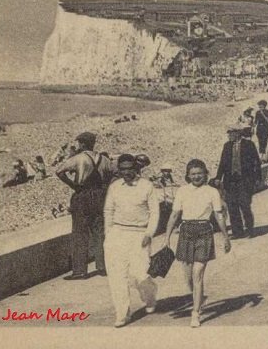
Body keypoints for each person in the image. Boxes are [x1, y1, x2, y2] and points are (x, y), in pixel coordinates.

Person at [164, 160, 231, 328]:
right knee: (188, 276)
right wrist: (167, 237)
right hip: (186, 230)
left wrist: (226, 237)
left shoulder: (212, 192)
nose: (196, 176)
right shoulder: (182, 191)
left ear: (205, 173)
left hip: (204, 231)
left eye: (199, 173)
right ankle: (198, 297)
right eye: (193, 173)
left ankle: (195, 313)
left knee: (198, 273)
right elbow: (174, 214)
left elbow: (219, 215)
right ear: (188, 175)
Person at [103, 154, 159, 327]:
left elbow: (154, 212)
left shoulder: (146, 186)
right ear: (118, 170)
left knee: (140, 274)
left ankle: (150, 297)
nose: (126, 172)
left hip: (139, 234)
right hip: (117, 234)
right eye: (123, 169)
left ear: (136, 169)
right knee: (117, 276)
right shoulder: (114, 187)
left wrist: (149, 234)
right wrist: (108, 234)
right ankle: (122, 313)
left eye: (129, 168)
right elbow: (108, 210)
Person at [55, 131, 111, 280]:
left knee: (80, 233)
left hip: (83, 195)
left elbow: (59, 171)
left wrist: (74, 186)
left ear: (83, 143)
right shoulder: (104, 159)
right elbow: (113, 174)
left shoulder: (78, 158)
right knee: (99, 232)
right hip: (100, 196)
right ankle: (103, 266)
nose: (77, 145)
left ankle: (80, 271)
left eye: (79, 143)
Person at [215, 125, 261, 238]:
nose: (229, 135)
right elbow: (222, 162)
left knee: (245, 205)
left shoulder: (249, 144)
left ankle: (250, 230)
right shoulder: (227, 146)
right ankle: (237, 232)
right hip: (230, 181)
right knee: (232, 206)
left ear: (238, 133)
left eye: (231, 133)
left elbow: (256, 161)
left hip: (244, 181)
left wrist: (257, 178)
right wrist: (218, 177)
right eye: (228, 133)